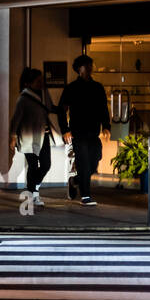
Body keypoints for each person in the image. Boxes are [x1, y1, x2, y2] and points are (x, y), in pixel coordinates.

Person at [58, 53, 110, 206]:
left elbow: (103, 109)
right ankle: (85, 195)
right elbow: (62, 110)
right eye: (86, 65)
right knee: (83, 163)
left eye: (90, 65)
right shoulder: (71, 88)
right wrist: (65, 130)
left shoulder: (98, 87)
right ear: (78, 69)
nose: (89, 68)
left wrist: (106, 126)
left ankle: (75, 180)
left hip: (93, 132)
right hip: (78, 132)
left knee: (95, 161)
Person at [10, 67, 58, 206]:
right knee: (32, 165)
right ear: (28, 83)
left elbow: (50, 108)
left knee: (46, 165)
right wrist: (13, 136)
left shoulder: (44, 94)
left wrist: (61, 109)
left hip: (44, 136)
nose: (41, 83)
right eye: (38, 81)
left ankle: (34, 188)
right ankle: (32, 194)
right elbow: (16, 119)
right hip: (28, 138)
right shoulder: (23, 99)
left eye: (41, 80)